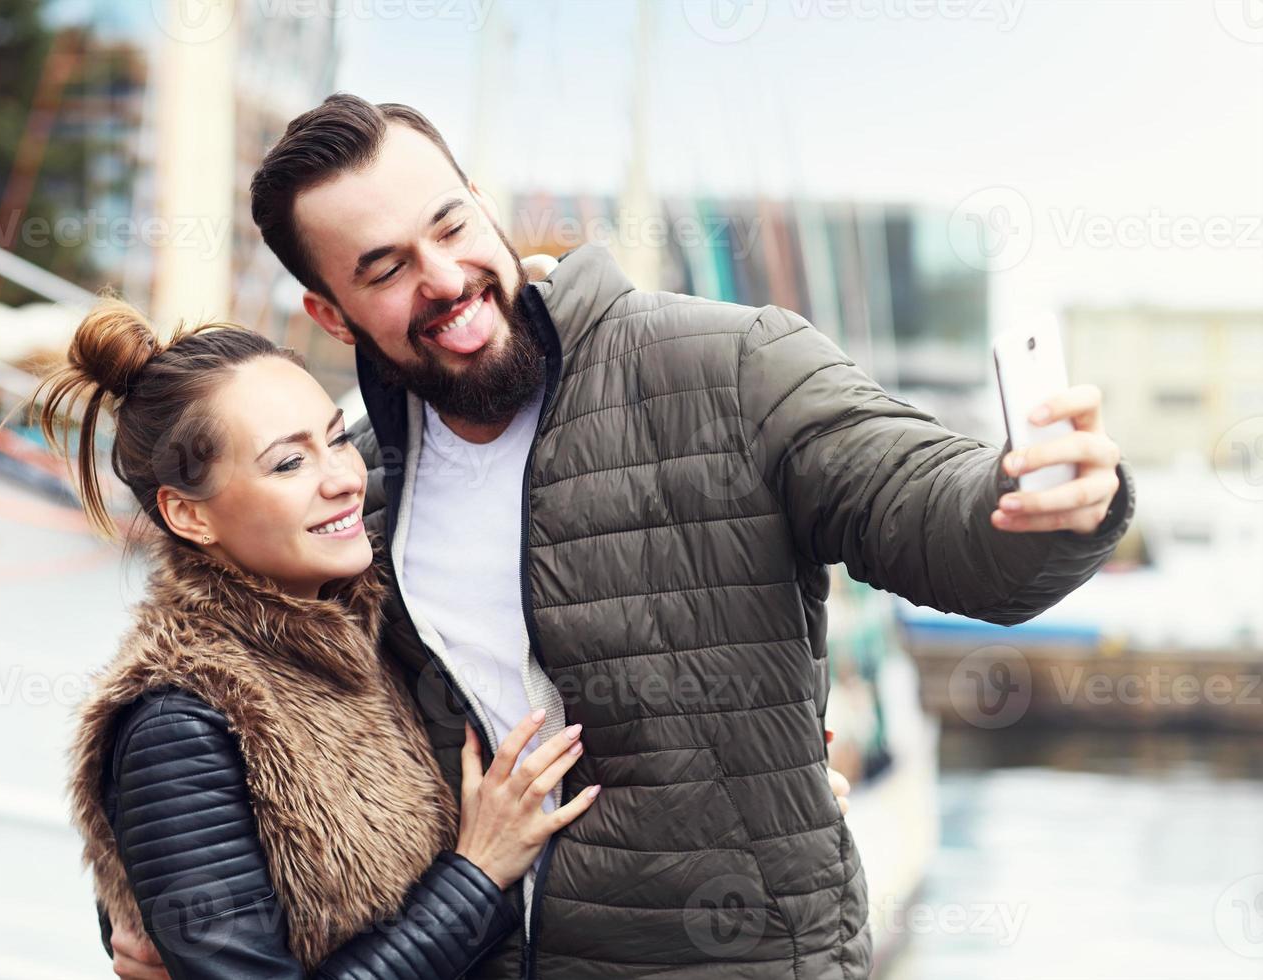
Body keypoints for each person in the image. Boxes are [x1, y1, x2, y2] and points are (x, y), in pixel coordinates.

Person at [119, 93, 1134, 979]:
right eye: (384, 268)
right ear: (332, 315)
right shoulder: (354, 497)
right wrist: (169, 915)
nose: (444, 277)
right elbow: (233, 726)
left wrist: (1041, 505)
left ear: (485, 206)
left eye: (451, 224)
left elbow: (927, 513)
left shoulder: (729, 363)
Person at [29, 299, 605, 979]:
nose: (343, 478)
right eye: (287, 465)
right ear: (189, 515)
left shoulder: (365, 627)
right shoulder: (180, 720)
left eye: (335, 439)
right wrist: (477, 877)